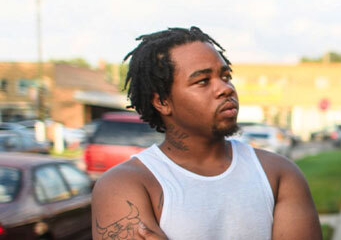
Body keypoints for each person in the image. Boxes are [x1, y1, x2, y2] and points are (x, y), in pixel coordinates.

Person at [91, 27, 322, 240]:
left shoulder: (277, 174)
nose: (225, 88)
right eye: (203, 81)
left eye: (225, 76)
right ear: (162, 102)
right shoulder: (126, 185)